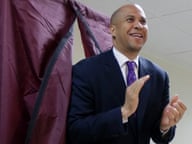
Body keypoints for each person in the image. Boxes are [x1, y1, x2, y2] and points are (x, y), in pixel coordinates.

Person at [66, 3, 187, 144]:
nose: (139, 25)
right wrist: (124, 112)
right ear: (113, 30)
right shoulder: (85, 70)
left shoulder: (159, 76)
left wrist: (164, 126)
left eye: (143, 21)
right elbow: (76, 130)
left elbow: (159, 136)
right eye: (130, 20)